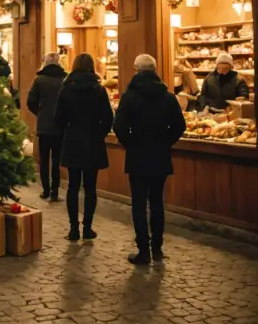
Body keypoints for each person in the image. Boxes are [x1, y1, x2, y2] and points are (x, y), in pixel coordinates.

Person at [114, 54, 186, 265]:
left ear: (136, 70)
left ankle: (143, 250)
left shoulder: (130, 96)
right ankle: (158, 248)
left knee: (138, 204)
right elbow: (179, 126)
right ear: (155, 70)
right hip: (160, 156)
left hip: (137, 156)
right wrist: (166, 141)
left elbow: (118, 126)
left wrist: (130, 142)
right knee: (157, 203)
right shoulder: (167, 96)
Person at [54, 52, 114, 241]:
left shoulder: (66, 89)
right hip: (93, 141)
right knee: (90, 187)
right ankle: (87, 227)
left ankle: (73, 229)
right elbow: (108, 118)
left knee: (72, 186)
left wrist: (67, 132)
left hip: (72, 140)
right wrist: (99, 133)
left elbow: (58, 119)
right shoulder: (98, 89)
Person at [26, 52, 67, 202]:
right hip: (60, 126)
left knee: (44, 159)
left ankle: (45, 189)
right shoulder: (64, 80)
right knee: (57, 159)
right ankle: (55, 191)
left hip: (44, 126)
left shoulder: (39, 80)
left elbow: (30, 101)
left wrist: (40, 113)